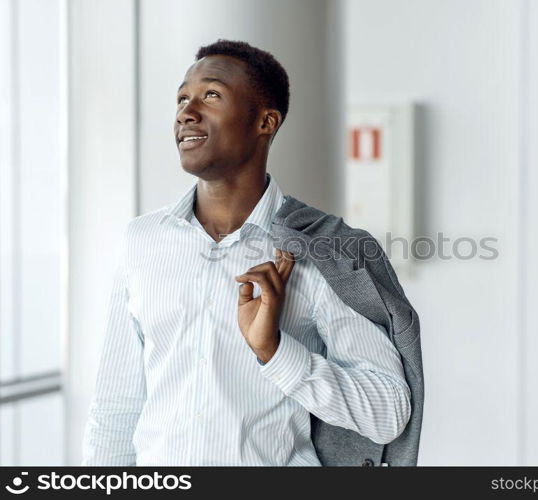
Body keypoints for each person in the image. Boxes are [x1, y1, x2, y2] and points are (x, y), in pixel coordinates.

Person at [82, 39, 411, 466]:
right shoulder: (142, 240)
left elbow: (387, 413)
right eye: (182, 98)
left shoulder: (322, 248)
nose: (186, 112)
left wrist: (274, 350)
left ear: (265, 122)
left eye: (211, 95)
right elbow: (115, 407)